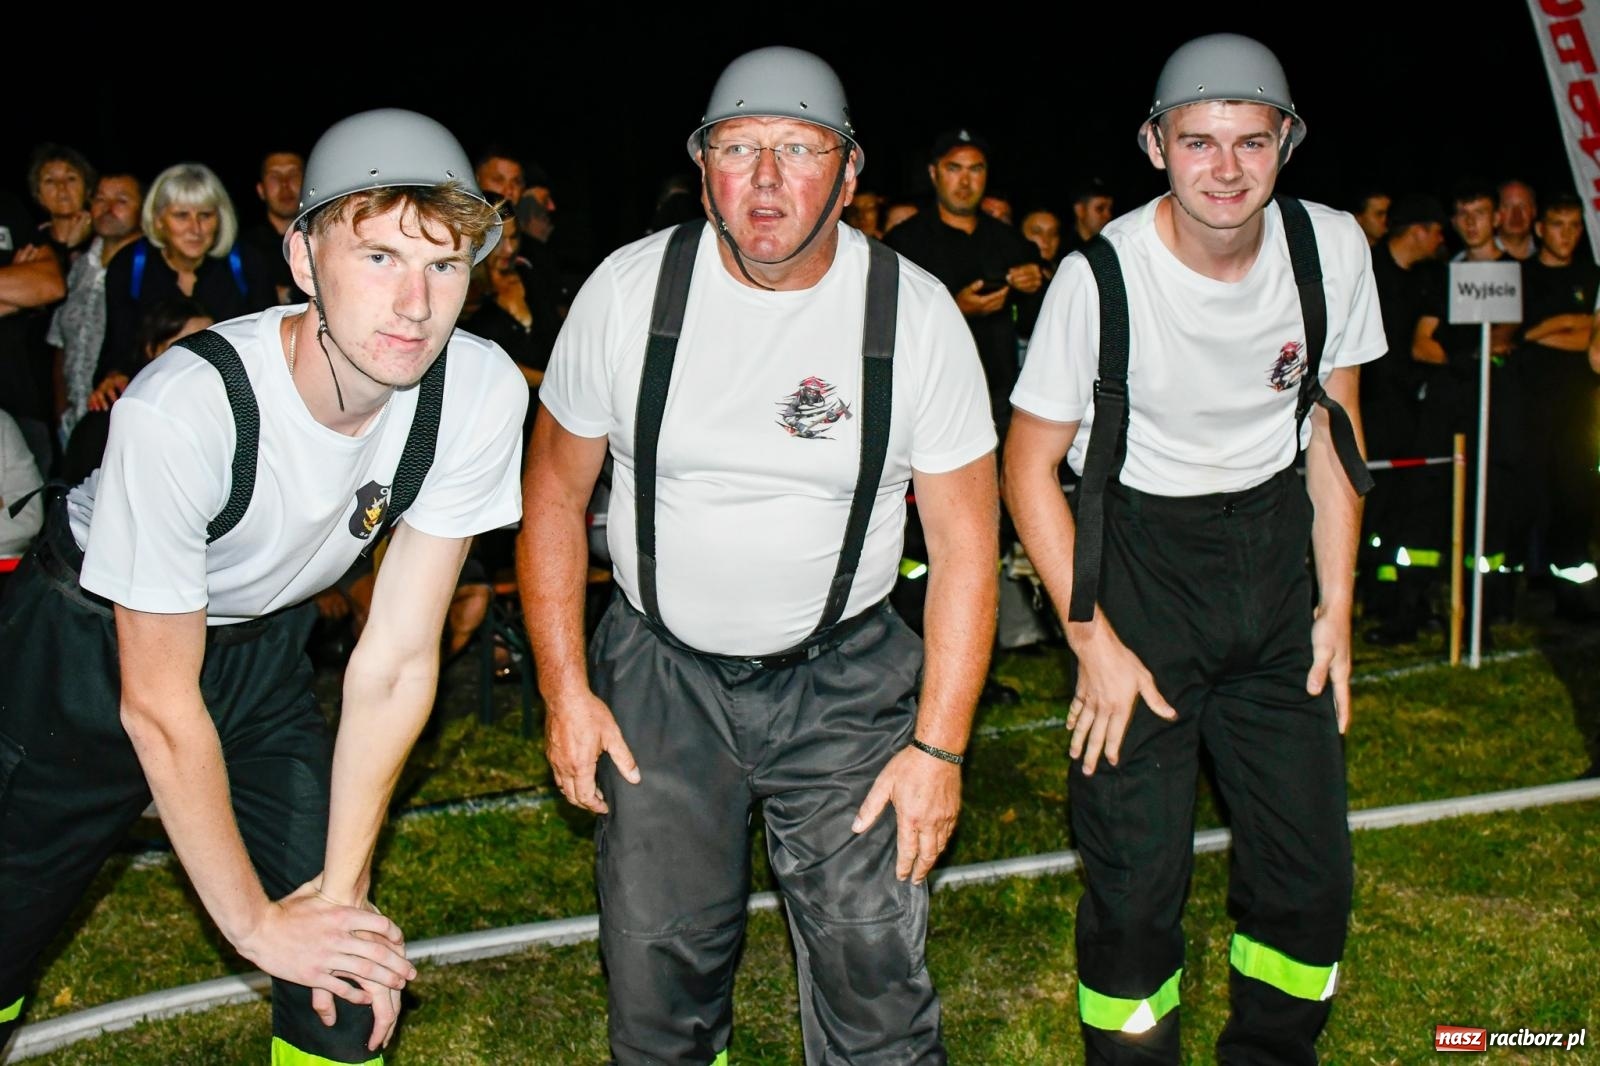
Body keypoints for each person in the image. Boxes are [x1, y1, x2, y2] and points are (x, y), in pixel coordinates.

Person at [0, 107, 526, 1063]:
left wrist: (338, 897)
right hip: (81, 652)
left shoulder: (480, 391)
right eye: (378, 258)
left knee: (347, 982)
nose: (415, 302)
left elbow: (400, 658)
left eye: (444, 265)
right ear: (301, 258)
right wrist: (255, 926)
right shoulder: (185, 409)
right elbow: (158, 705)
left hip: (259, 655)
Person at [520, 44, 998, 1064]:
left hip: (846, 679)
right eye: (738, 149)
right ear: (702, 169)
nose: (767, 179)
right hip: (659, 678)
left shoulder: (913, 315)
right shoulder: (627, 293)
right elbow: (554, 498)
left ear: (851, 171)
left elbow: (965, 547)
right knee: (657, 965)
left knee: (874, 960)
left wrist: (939, 749)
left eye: (798, 148)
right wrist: (566, 688)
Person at [1003, 33, 1383, 1064]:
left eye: (1250, 141)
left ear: (1287, 143)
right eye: (1198, 142)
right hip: (1137, 580)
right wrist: (1093, 643)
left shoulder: (1331, 248)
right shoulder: (1097, 280)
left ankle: (1272, 1050)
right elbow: (1026, 466)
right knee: (1133, 887)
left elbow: (1333, 435)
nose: (1225, 169)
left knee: (1311, 875)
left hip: (1272, 577)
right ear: (1155, 146)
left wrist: (1334, 607)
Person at [46, 171, 144, 450]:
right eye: (100, 198)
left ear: (145, 209)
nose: (108, 208)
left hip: (123, 419)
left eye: (121, 200)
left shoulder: (149, 269)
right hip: (75, 422)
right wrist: (61, 410)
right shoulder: (78, 266)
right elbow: (60, 343)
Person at [239, 149, 308, 304]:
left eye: (293, 175)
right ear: (261, 190)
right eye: (275, 177)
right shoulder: (242, 249)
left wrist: (289, 294)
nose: (285, 184)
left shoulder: (323, 239)